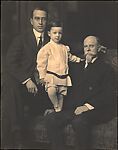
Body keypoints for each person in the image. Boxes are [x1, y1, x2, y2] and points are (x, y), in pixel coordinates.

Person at [45, 36, 116, 150]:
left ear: (99, 48)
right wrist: (57, 106)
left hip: (97, 108)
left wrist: (86, 107)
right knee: (51, 118)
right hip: (75, 108)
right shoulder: (76, 67)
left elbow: (107, 95)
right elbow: (66, 90)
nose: (88, 49)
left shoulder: (106, 69)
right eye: (85, 46)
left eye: (91, 46)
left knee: (79, 121)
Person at [1, 6, 51, 148]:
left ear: (47, 21)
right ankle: (17, 135)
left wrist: (91, 51)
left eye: (43, 19)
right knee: (9, 83)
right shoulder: (21, 39)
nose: (40, 22)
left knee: (8, 94)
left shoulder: (53, 38)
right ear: (31, 21)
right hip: (24, 89)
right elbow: (10, 61)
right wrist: (27, 80)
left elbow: (70, 49)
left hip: (43, 90)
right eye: (37, 18)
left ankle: (13, 139)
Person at [36, 20, 83, 113]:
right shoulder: (46, 48)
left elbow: (70, 57)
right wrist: (42, 76)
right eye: (54, 33)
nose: (57, 35)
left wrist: (78, 60)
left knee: (61, 95)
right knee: (52, 91)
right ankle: (56, 105)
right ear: (49, 33)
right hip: (52, 75)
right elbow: (41, 64)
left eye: (60, 33)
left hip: (63, 76)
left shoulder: (64, 48)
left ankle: (58, 111)